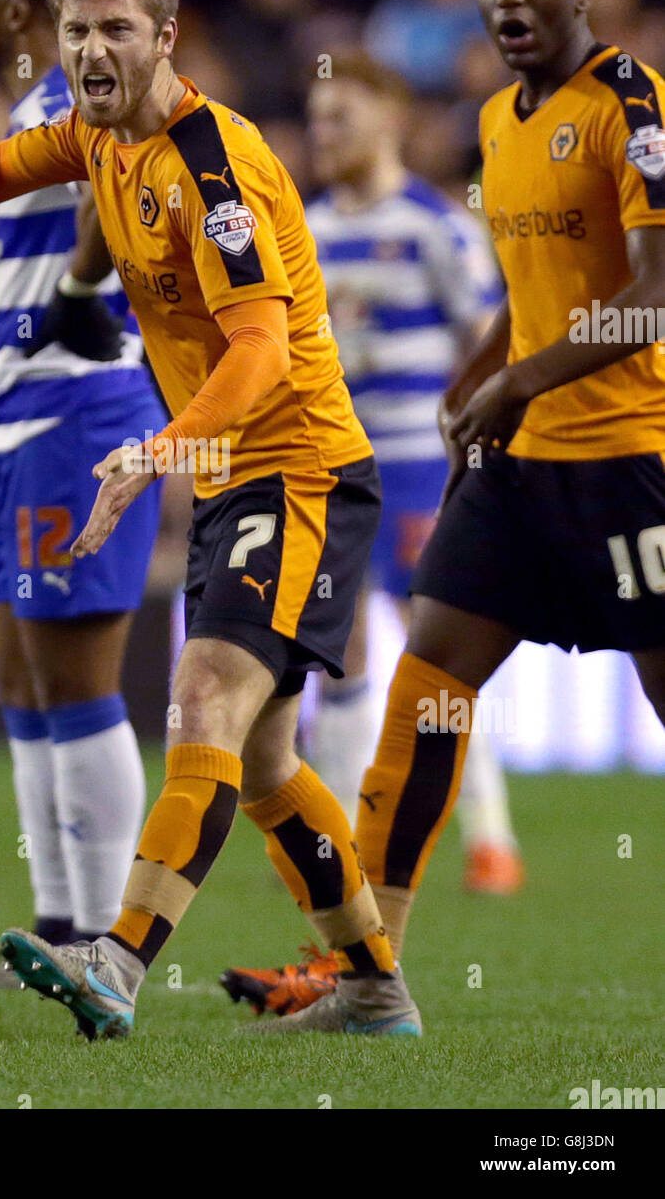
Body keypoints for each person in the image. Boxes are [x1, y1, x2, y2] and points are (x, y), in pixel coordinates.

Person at [0, 0, 422, 1041]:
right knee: (260, 765)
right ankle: (374, 986)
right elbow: (0, 164)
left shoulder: (213, 166)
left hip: (296, 464)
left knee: (202, 696)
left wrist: (160, 449)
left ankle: (116, 959)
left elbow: (258, 349)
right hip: (232, 473)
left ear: (166, 37)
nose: (92, 49)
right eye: (75, 32)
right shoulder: (97, 134)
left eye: (116, 28)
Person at [258, 0, 665, 1033]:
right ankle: (372, 977)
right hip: (521, 466)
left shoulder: (632, 104)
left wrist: (518, 378)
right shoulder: (495, 117)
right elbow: (521, 290)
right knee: (425, 683)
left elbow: (655, 291)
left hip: (630, 461)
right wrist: (474, 382)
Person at [220, 51, 525, 1018]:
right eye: (315, 118)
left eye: (342, 116)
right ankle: (345, 857)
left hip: (427, 472)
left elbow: (491, 338)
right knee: (345, 659)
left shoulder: (437, 226)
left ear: (388, 120)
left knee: (442, 657)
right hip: (344, 472)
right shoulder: (306, 228)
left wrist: (469, 456)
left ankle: (490, 836)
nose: (326, 133)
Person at [0, 0, 166, 950]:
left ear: (21, 8)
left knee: (78, 681)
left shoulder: (90, 102)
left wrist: (84, 289)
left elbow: (127, 182)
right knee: (18, 679)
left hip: (80, 406)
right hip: (14, 415)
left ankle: (102, 940)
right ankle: (56, 922)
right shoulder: (29, 110)